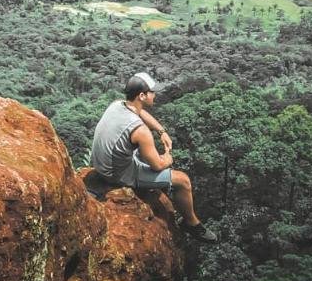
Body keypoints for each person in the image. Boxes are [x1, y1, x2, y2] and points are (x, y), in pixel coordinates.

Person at [90, 72, 218, 243]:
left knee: (142, 152)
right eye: (152, 92)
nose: (155, 95)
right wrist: (168, 157)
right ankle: (192, 224)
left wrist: (161, 131)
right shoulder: (140, 131)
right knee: (183, 181)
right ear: (142, 95)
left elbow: (140, 113)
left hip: (100, 164)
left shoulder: (117, 104)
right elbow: (158, 165)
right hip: (116, 175)